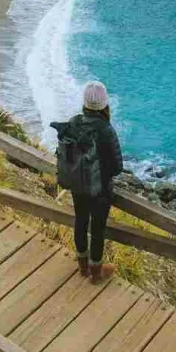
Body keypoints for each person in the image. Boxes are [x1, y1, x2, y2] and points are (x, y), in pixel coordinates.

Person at [62, 81, 123, 284]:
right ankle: (96, 273)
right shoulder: (106, 130)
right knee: (97, 230)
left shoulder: (74, 122)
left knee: (80, 221)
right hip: (100, 191)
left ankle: (82, 267)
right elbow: (117, 167)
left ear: (85, 103)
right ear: (105, 104)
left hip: (78, 185)